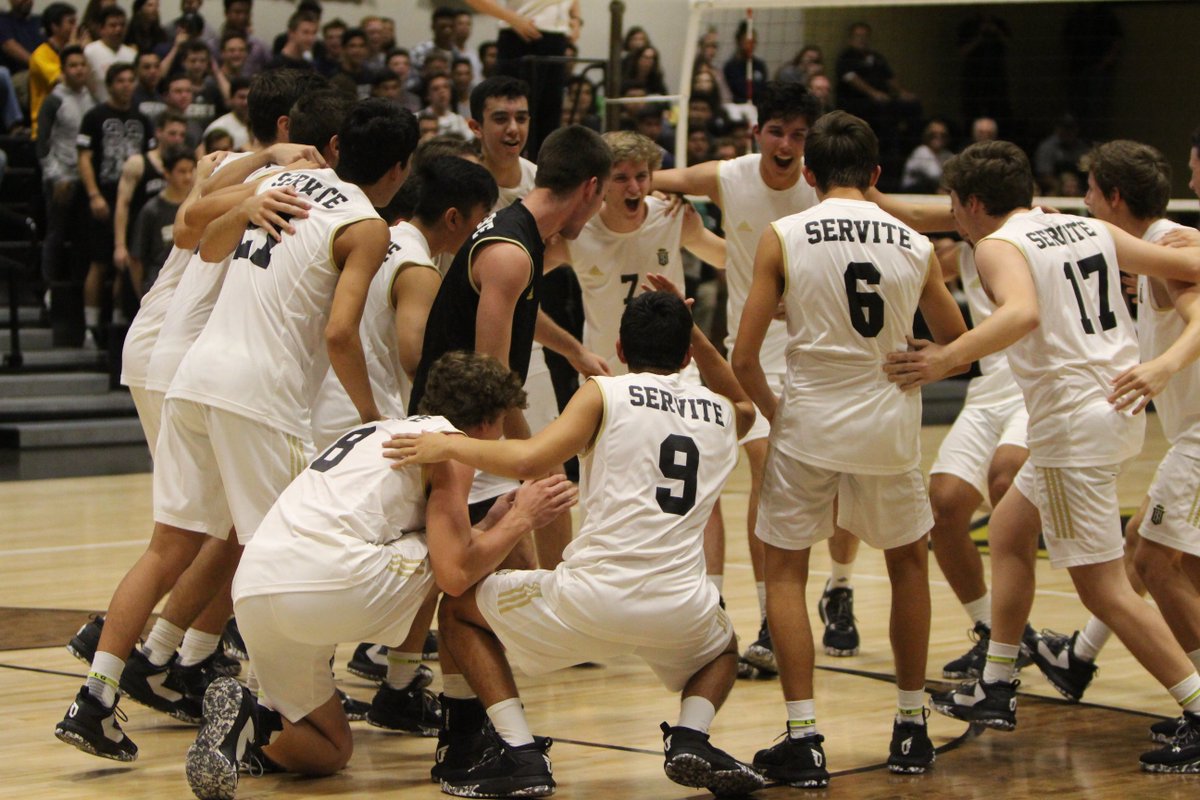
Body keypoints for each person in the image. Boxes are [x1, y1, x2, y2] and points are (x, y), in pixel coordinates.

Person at [885, 139, 1200, 771]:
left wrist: (946, 358)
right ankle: (998, 683)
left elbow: (1023, 313)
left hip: (1072, 424)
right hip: (1112, 410)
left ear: (972, 206)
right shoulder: (1082, 226)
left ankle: (1196, 705)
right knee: (1008, 527)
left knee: (1105, 589)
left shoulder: (1001, 245)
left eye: (954, 205)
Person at [389, 287, 762, 798]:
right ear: (687, 355)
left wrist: (446, 443)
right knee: (724, 649)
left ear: (622, 350)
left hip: (589, 599)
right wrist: (692, 330)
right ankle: (691, 736)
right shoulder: (724, 413)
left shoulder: (603, 391)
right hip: (681, 608)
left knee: (458, 608)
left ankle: (520, 754)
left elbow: (527, 460)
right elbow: (744, 398)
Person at [183, 351, 575, 800]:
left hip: (255, 589)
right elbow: (453, 572)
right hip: (325, 581)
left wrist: (490, 526)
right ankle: (454, 728)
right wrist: (520, 519)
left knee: (331, 750)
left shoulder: (376, 429)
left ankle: (251, 722)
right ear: (487, 423)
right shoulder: (449, 446)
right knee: (462, 577)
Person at [733, 110, 967, 784]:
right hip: (888, 422)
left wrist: (781, 416)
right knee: (907, 569)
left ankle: (803, 737)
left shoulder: (783, 234)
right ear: (875, 174)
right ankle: (912, 728)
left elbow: (746, 358)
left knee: (785, 572)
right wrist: (921, 361)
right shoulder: (913, 241)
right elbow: (954, 345)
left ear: (807, 173)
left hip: (810, 420)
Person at [1026, 140, 1200, 736]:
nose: (1083, 202)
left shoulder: (1168, 245)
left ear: (1114, 197)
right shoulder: (1146, 248)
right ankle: (1077, 657)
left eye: (1091, 193)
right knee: (1152, 550)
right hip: (1187, 434)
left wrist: (1164, 367)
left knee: (1153, 561)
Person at [310, 154, 499, 449]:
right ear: (453, 218)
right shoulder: (419, 269)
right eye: (484, 217)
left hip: (323, 402)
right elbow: (416, 361)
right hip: (368, 415)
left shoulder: (383, 235)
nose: (485, 228)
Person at [77, 61, 153, 346]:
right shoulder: (94, 116)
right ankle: (90, 327)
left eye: (130, 80)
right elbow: (84, 156)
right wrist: (94, 194)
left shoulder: (142, 119)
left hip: (134, 200)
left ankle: (121, 325)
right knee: (99, 262)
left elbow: (151, 158)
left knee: (128, 262)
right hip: (105, 196)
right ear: (109, 85)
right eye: (120, 81)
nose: (126, 86)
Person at [464, 0, 578, 157]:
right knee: (512, 115)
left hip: (557, 37)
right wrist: (511, 18)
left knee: (549, 122)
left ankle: (541, 177)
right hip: (520, 35)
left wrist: (576, 18)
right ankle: (501, 176)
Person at [113, 109, 188, 305]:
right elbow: (123, 204)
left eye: (181, 134)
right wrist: (120, 245)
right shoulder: (138, 163)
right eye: (172, 133)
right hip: (142, 234)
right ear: (159, 132)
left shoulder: (187, 163)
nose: (177, 139)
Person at [36, 42, 93, 301]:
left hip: (86, 177)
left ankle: (78, 290)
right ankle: (48, 289)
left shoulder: (91, 98)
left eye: (82, 65)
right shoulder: (54, 100)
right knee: (56, 235)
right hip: (61, 177)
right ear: (64, 69)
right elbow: (42, 144)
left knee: (84, 238)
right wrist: (55, 176)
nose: (79, 70)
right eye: (73, 66)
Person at [128, 146, 196, 296]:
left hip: (191, 282)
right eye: (182, 171)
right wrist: (141, 295)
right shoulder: (152, 210)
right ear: (167, 173)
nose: (188, 176)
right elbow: (136, 257)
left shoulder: (199, 205)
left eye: (191, 170)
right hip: (160, 284)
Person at [28, 1, 76, 139]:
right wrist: (73, 50)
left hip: (70, 122)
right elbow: (65, 81)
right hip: (47, 127)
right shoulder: (40, 55)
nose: (75, 28)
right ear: (55, 27)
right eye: (70, 23)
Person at [82, 5, 133, 102]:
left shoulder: (132, 54)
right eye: (113, 25)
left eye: (122, 25)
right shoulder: (89, 51)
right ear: (101, 28)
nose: (118, 29)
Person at [900, 119, 953, 193]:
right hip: (913, 193)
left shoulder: (947, 154)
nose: (938, 137)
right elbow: (934, 175)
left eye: (943, 135)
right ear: (927, 135)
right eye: (933, 135)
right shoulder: (921, 151)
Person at [722, 19, 766, 105]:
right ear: (739, 41)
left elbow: (762, 91)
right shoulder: (730, 67)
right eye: (748, 42)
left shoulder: (760, 66)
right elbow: (738, 92)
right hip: (737, 109)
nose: (751, 45)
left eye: (753, 42)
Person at [422, 71, 472, 140]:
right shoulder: (417, 118)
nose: (442, 91)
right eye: (436, 89)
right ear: (427, 95)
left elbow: (470, 142)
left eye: (445, 87)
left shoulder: (458, 120)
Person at [203, 74, 248, 149]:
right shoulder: (217, 126)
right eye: (241, 97)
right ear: (231, 99)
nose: (246, 102)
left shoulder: (262, 127)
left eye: (249, 97)